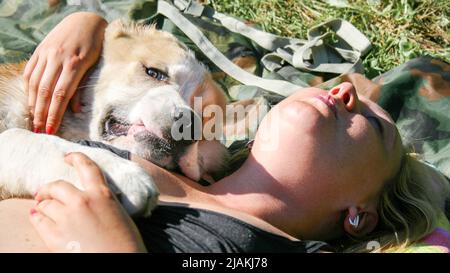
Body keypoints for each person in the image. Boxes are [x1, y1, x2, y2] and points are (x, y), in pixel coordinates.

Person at [0, 12, 448, 253]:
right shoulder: (167, 154)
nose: (347, 91)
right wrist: (91, 22)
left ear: (359, 215)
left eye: (372, 124)